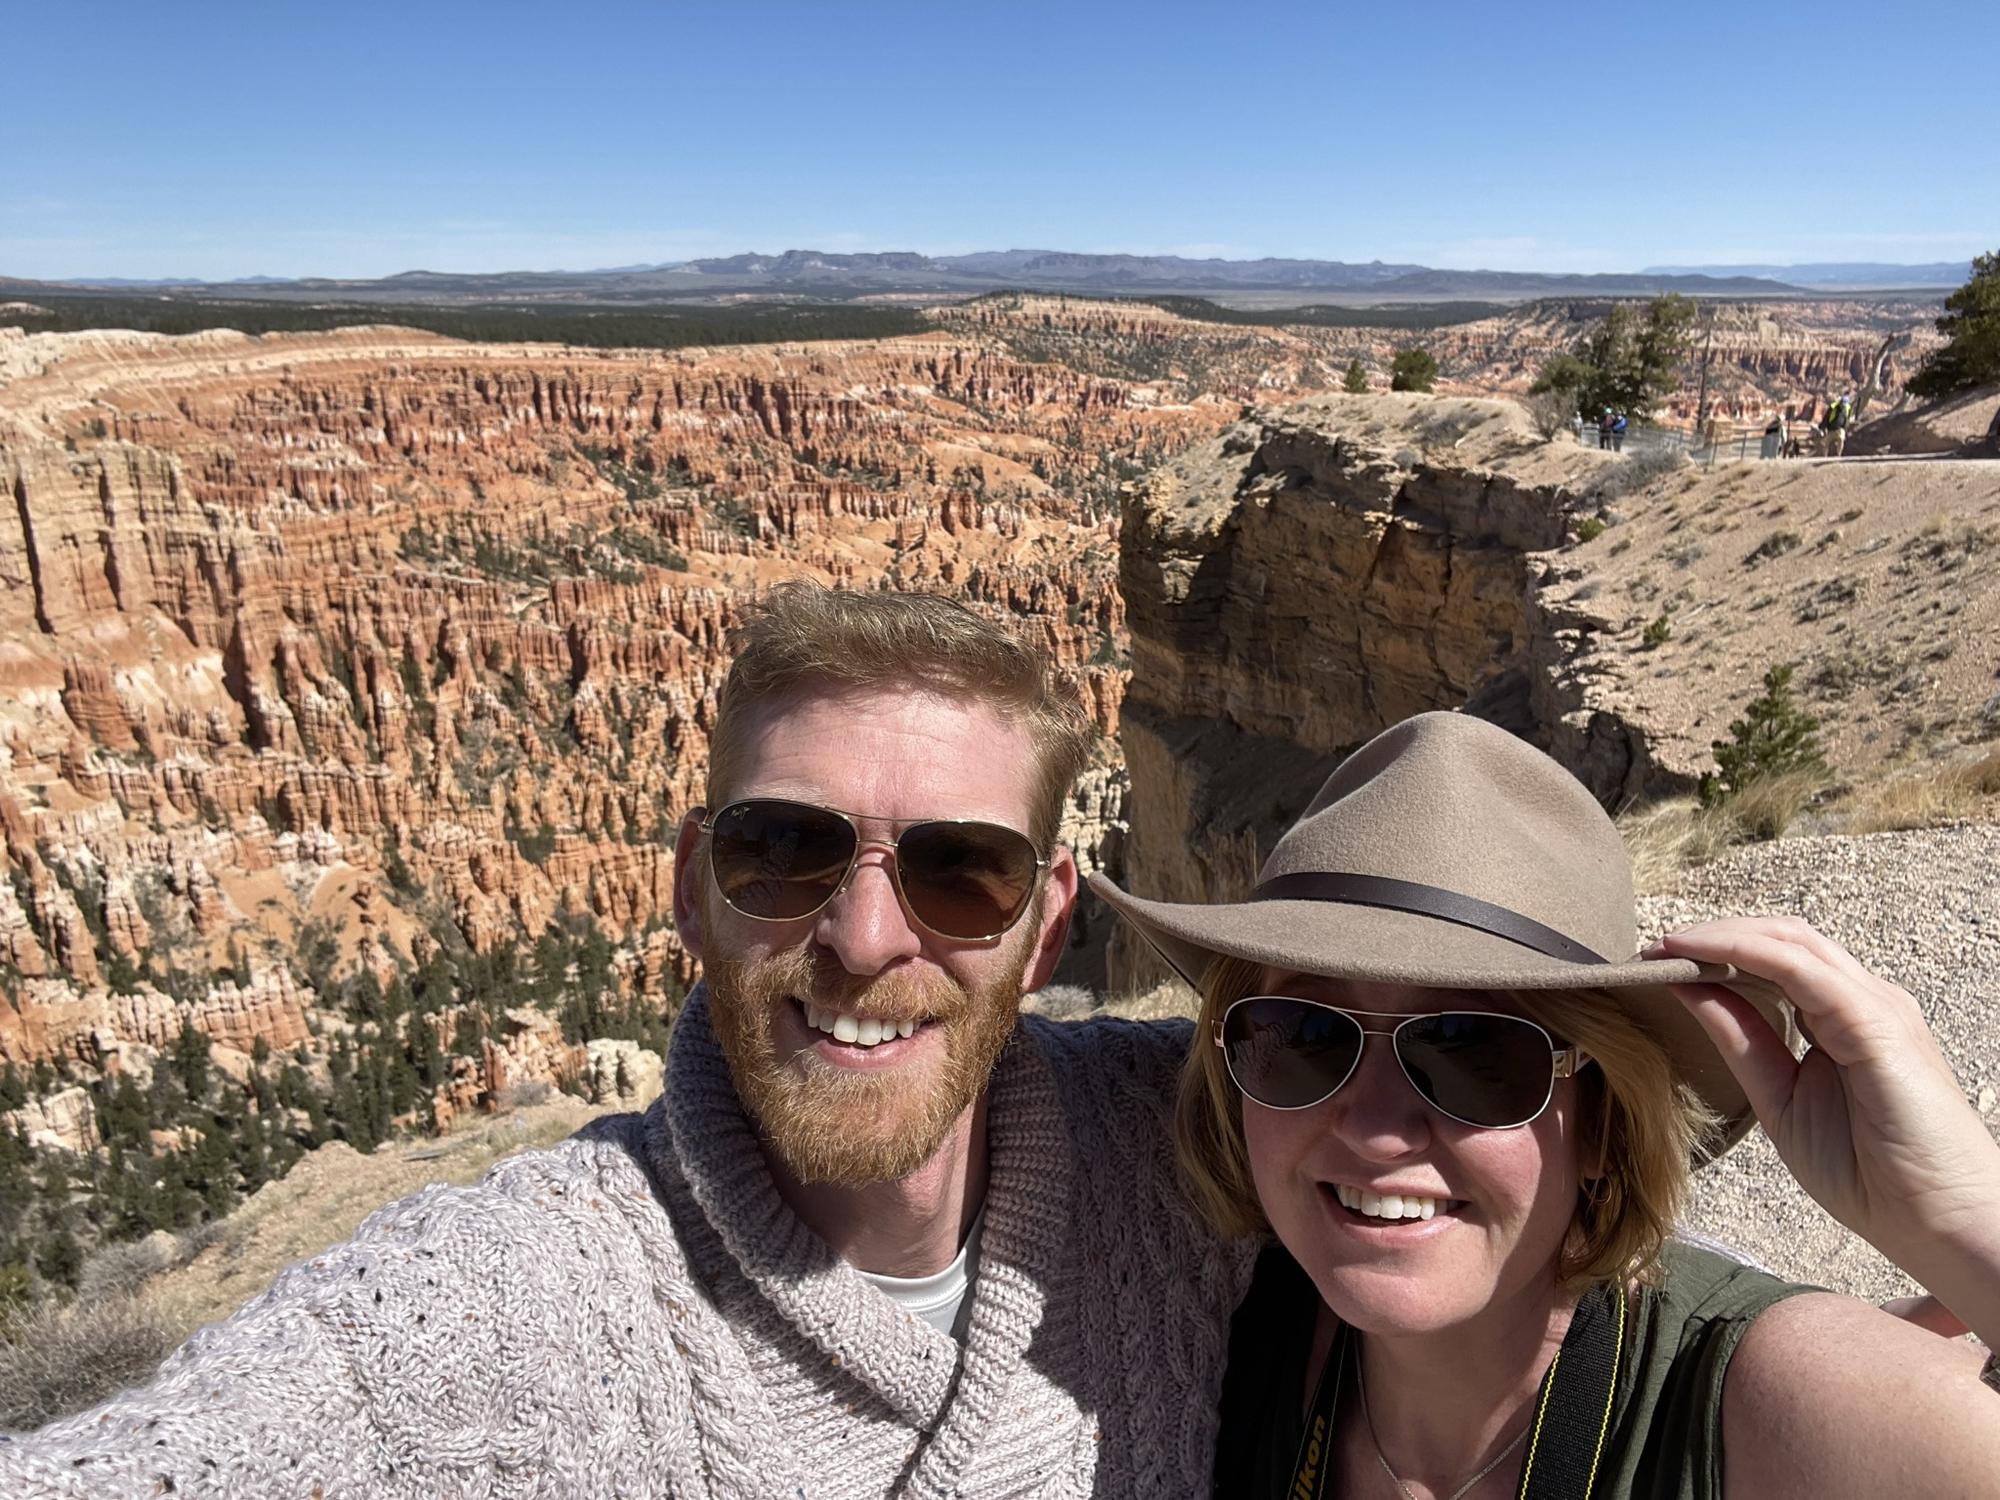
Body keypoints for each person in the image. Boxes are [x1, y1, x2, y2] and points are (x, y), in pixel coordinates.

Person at [0, 585, 1252, 1497]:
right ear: (691, 890)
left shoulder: (1197, 1147)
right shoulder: (524, 1302)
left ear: (1045, 936)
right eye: (782, 850)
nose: (864, 936)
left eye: (961, 869)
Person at [1093, 712, 2000, 1499]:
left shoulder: (1768, 1404)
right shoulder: (1220, 1338)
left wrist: (1965, 1223)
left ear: (1608, 1121)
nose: (1373, 1128)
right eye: (1301, 1035)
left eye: (1473, 1052)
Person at [1823, 393, 1850, 457]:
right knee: (1826, 443)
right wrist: (1823, 427)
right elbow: (1826, 417)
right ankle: (1825, 456)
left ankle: (1839, 455)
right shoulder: (1833, 408)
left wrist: (1845, 428)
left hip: (1840, 429)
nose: (1843, 405)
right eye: (1842, 403)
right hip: (1831, 429)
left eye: (1844, 403)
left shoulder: (1846, 409)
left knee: (1841, 440)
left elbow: (1846, 419)